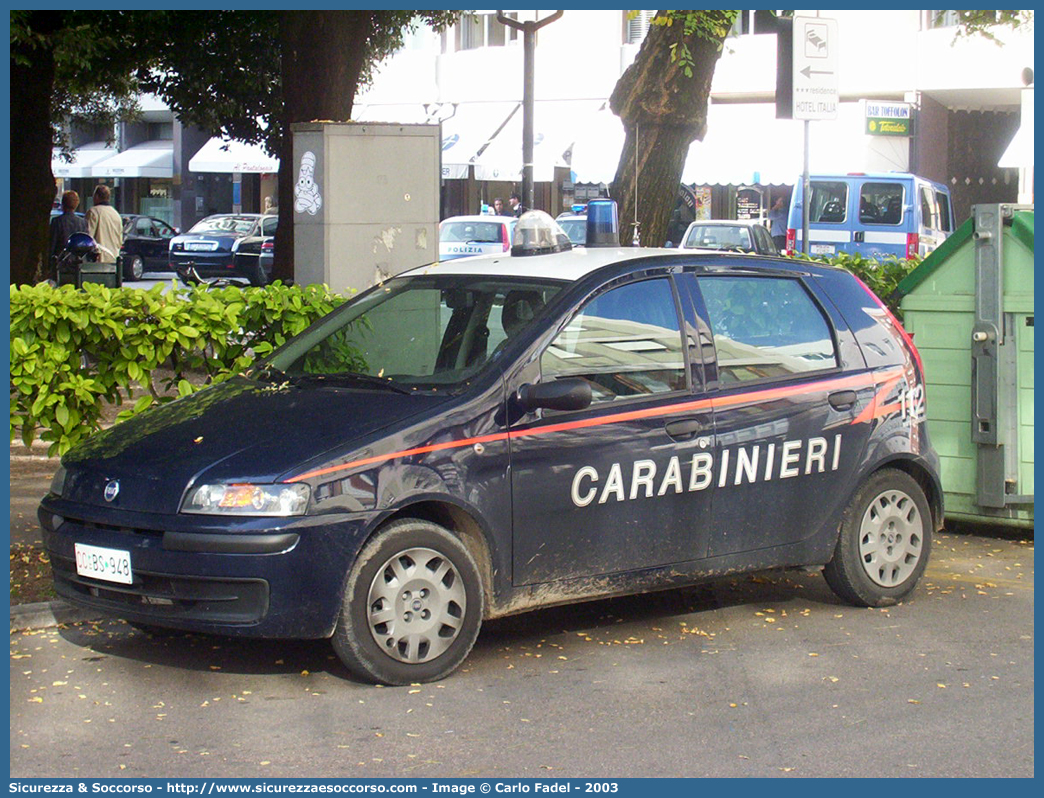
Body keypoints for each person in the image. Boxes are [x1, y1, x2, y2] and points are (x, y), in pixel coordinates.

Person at [48, 190, 87, 275]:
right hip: (77, 264)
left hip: (61, 263)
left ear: (63, 203)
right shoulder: (83, 222)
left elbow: (52, 244)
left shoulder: (57, 221)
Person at [85, 184, 123, 264]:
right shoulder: (116, 214)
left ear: (97, 197)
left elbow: (88, 238)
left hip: (98, 260)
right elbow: (119, 240)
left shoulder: (93, 212)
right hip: (113, 259)